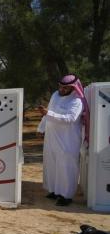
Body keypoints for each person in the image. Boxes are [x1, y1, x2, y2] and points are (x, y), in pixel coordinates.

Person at [37, 74, 88, 206]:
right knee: (52, 165)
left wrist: (48, 113)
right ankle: (54, 191)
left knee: (66, 167)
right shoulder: (55, 95)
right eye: (60, 87)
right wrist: (41, 128)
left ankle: (66, 196)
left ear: (73, 87)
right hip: (51, 137)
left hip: (68, 140)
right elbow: (48, 112)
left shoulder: (77, 100)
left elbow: (69, 119)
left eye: (65, 88)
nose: (62, 90)